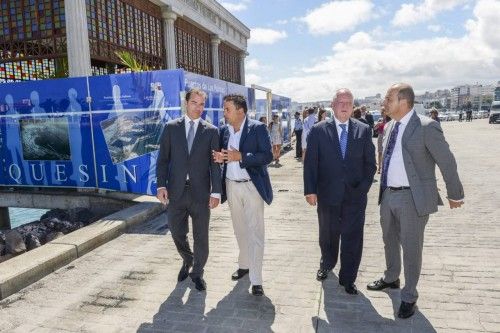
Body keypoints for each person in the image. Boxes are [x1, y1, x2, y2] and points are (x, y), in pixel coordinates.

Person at [367, 83, 464, 319]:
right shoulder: (389, 126)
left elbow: (446, 160)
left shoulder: (426, 127)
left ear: (403, 101)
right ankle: (391, 278)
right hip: (388, 194)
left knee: (411, 247)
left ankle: (409, 296)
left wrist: (455, 193)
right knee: (388, 239)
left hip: (413, 197)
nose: (385, 102)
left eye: (389, 98)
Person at [303, 88, 376, 295]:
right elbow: (311, 163)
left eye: (348, 103)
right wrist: (310, 190)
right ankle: (327, 263)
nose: (344, 106)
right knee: (328, 234)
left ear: (353, 107)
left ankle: (348, 278)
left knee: (353, 237)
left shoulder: (363, 130)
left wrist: (362, 188)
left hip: (355, 196)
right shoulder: (318, 130)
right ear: (332, 105)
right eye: (340, 102)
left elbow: (370, 164)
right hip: (327, 195)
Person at [156, 88, 222, 292]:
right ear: (186, 103)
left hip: (201, 194)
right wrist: (161, 185)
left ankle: (198, 273)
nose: (198, 107)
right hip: (176, 192)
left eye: (202, 104)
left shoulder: (211, 131)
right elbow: (163, 160)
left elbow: (214, 165)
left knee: (201, 236)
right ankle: (187, 259)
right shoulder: (170, 128)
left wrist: (216, 192)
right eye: (195, 103)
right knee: (176, 232)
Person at [212, 94, 273, 296]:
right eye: (224, 109)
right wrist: (221, 158)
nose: (224, 113)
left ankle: (256, 279)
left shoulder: (257, 128)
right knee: (240, 230)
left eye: (227, 109)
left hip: (252, 187)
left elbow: (267, 156)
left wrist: (242, 157)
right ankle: (244, 264)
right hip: (231, 186)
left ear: (241, 111)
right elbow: (221, 157)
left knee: (256, 232)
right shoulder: (224, 130)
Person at [373, 107, 391, 174]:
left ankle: (385, 167)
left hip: (388, 136)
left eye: (384, 111)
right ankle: (379, 168)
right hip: (380, 136)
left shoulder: (391, 120)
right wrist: (377, 125)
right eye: (382, 112)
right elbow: (374, 129)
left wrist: (384, 124)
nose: (382, 113)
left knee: (387, 152)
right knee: (380, 152)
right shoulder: (380, 119)